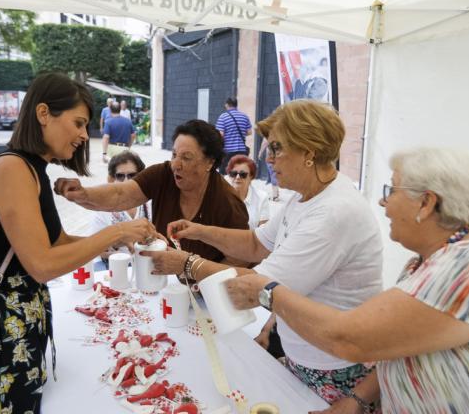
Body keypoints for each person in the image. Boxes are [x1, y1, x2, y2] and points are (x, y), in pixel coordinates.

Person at [227, 147, 469, 414]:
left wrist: (267, 292)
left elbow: (351, 340)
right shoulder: (428, 262)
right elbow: (400, 348)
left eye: (391, 190)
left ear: (426, 203)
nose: (383, 202)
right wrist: (357, 400)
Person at [145, 100, 384, 408]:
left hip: (336, 369)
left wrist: (187, 263)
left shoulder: (334, 212)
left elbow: (256, 285)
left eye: (276, 149)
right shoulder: (305, 198)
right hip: (306, 354)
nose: (269, 159)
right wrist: (198, 231)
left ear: (309, 153)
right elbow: (256, 244)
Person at [0, 73, 156, 414]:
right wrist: (116, 233)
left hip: (17, 328)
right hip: (0, 334)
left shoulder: (33, 169)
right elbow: (42, 263)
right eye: (78, 123)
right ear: (44, 113)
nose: (85, 135)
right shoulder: (12, 168)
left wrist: (121, 242)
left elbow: (57, 243)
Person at [55, 119, 250, 270]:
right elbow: (120, 194)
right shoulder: (164, 174)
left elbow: (242, 255)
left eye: (186, 158)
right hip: (166, 283)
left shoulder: (227, 202)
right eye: (174, 155)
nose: (176, 164)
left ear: (210, 163)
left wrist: (201, 278)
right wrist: (83, 194)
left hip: (208, 294)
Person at [91, 151, 151, 268]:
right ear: (111, 179)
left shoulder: (150, 203)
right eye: (120, 176)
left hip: (147, 266)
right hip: (115, 268)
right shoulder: (102, 210)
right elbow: (95, 249)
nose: (126, 181)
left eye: (132, 175)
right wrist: (115, 255)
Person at [226, 154, 269, 229]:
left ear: (251, 176)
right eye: (234, 174)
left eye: (243, 174)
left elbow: (263, 233)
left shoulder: (261, 198)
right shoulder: (221, 195)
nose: (237, 177)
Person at [215, 96, 252, 174]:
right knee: (239, 173)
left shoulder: (223, 117)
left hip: (228, 151)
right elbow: (249, 132)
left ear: (227, 105)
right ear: (236, 105)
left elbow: (220, 134)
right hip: (242, 151)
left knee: (224, 174)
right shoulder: (244, 116)